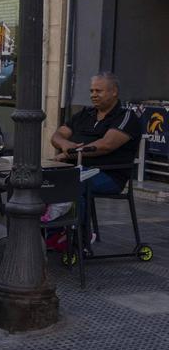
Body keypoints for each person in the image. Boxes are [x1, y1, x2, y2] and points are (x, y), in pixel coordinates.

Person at [50, 72, 142, 244]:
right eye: (91, 90)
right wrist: (64, 144)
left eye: (98, 91)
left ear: (114, 92)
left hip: (108, 175)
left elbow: (106, 144)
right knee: (45, 180)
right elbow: (58, 135)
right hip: (74, 169)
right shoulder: (85, 113)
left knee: (72, 183)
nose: (93, 94)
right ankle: (53, 233)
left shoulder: (126, 117)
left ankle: (80, 238)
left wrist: (70, 152)